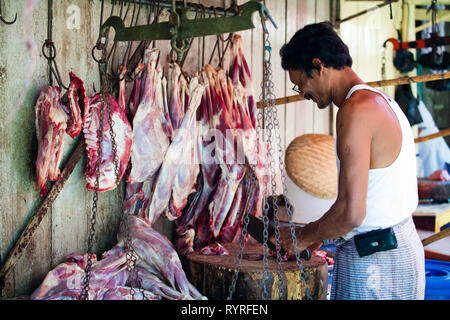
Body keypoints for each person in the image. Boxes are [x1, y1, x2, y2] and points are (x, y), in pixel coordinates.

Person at [274, 22, 425, 300]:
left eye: (301, 84)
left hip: (376, 263)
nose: (304, 94)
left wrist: (305, 236)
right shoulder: (381, 101)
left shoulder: (355, 111)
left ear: (318, 66)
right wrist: (319, 233)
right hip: (396, 249)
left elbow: (351, 214)